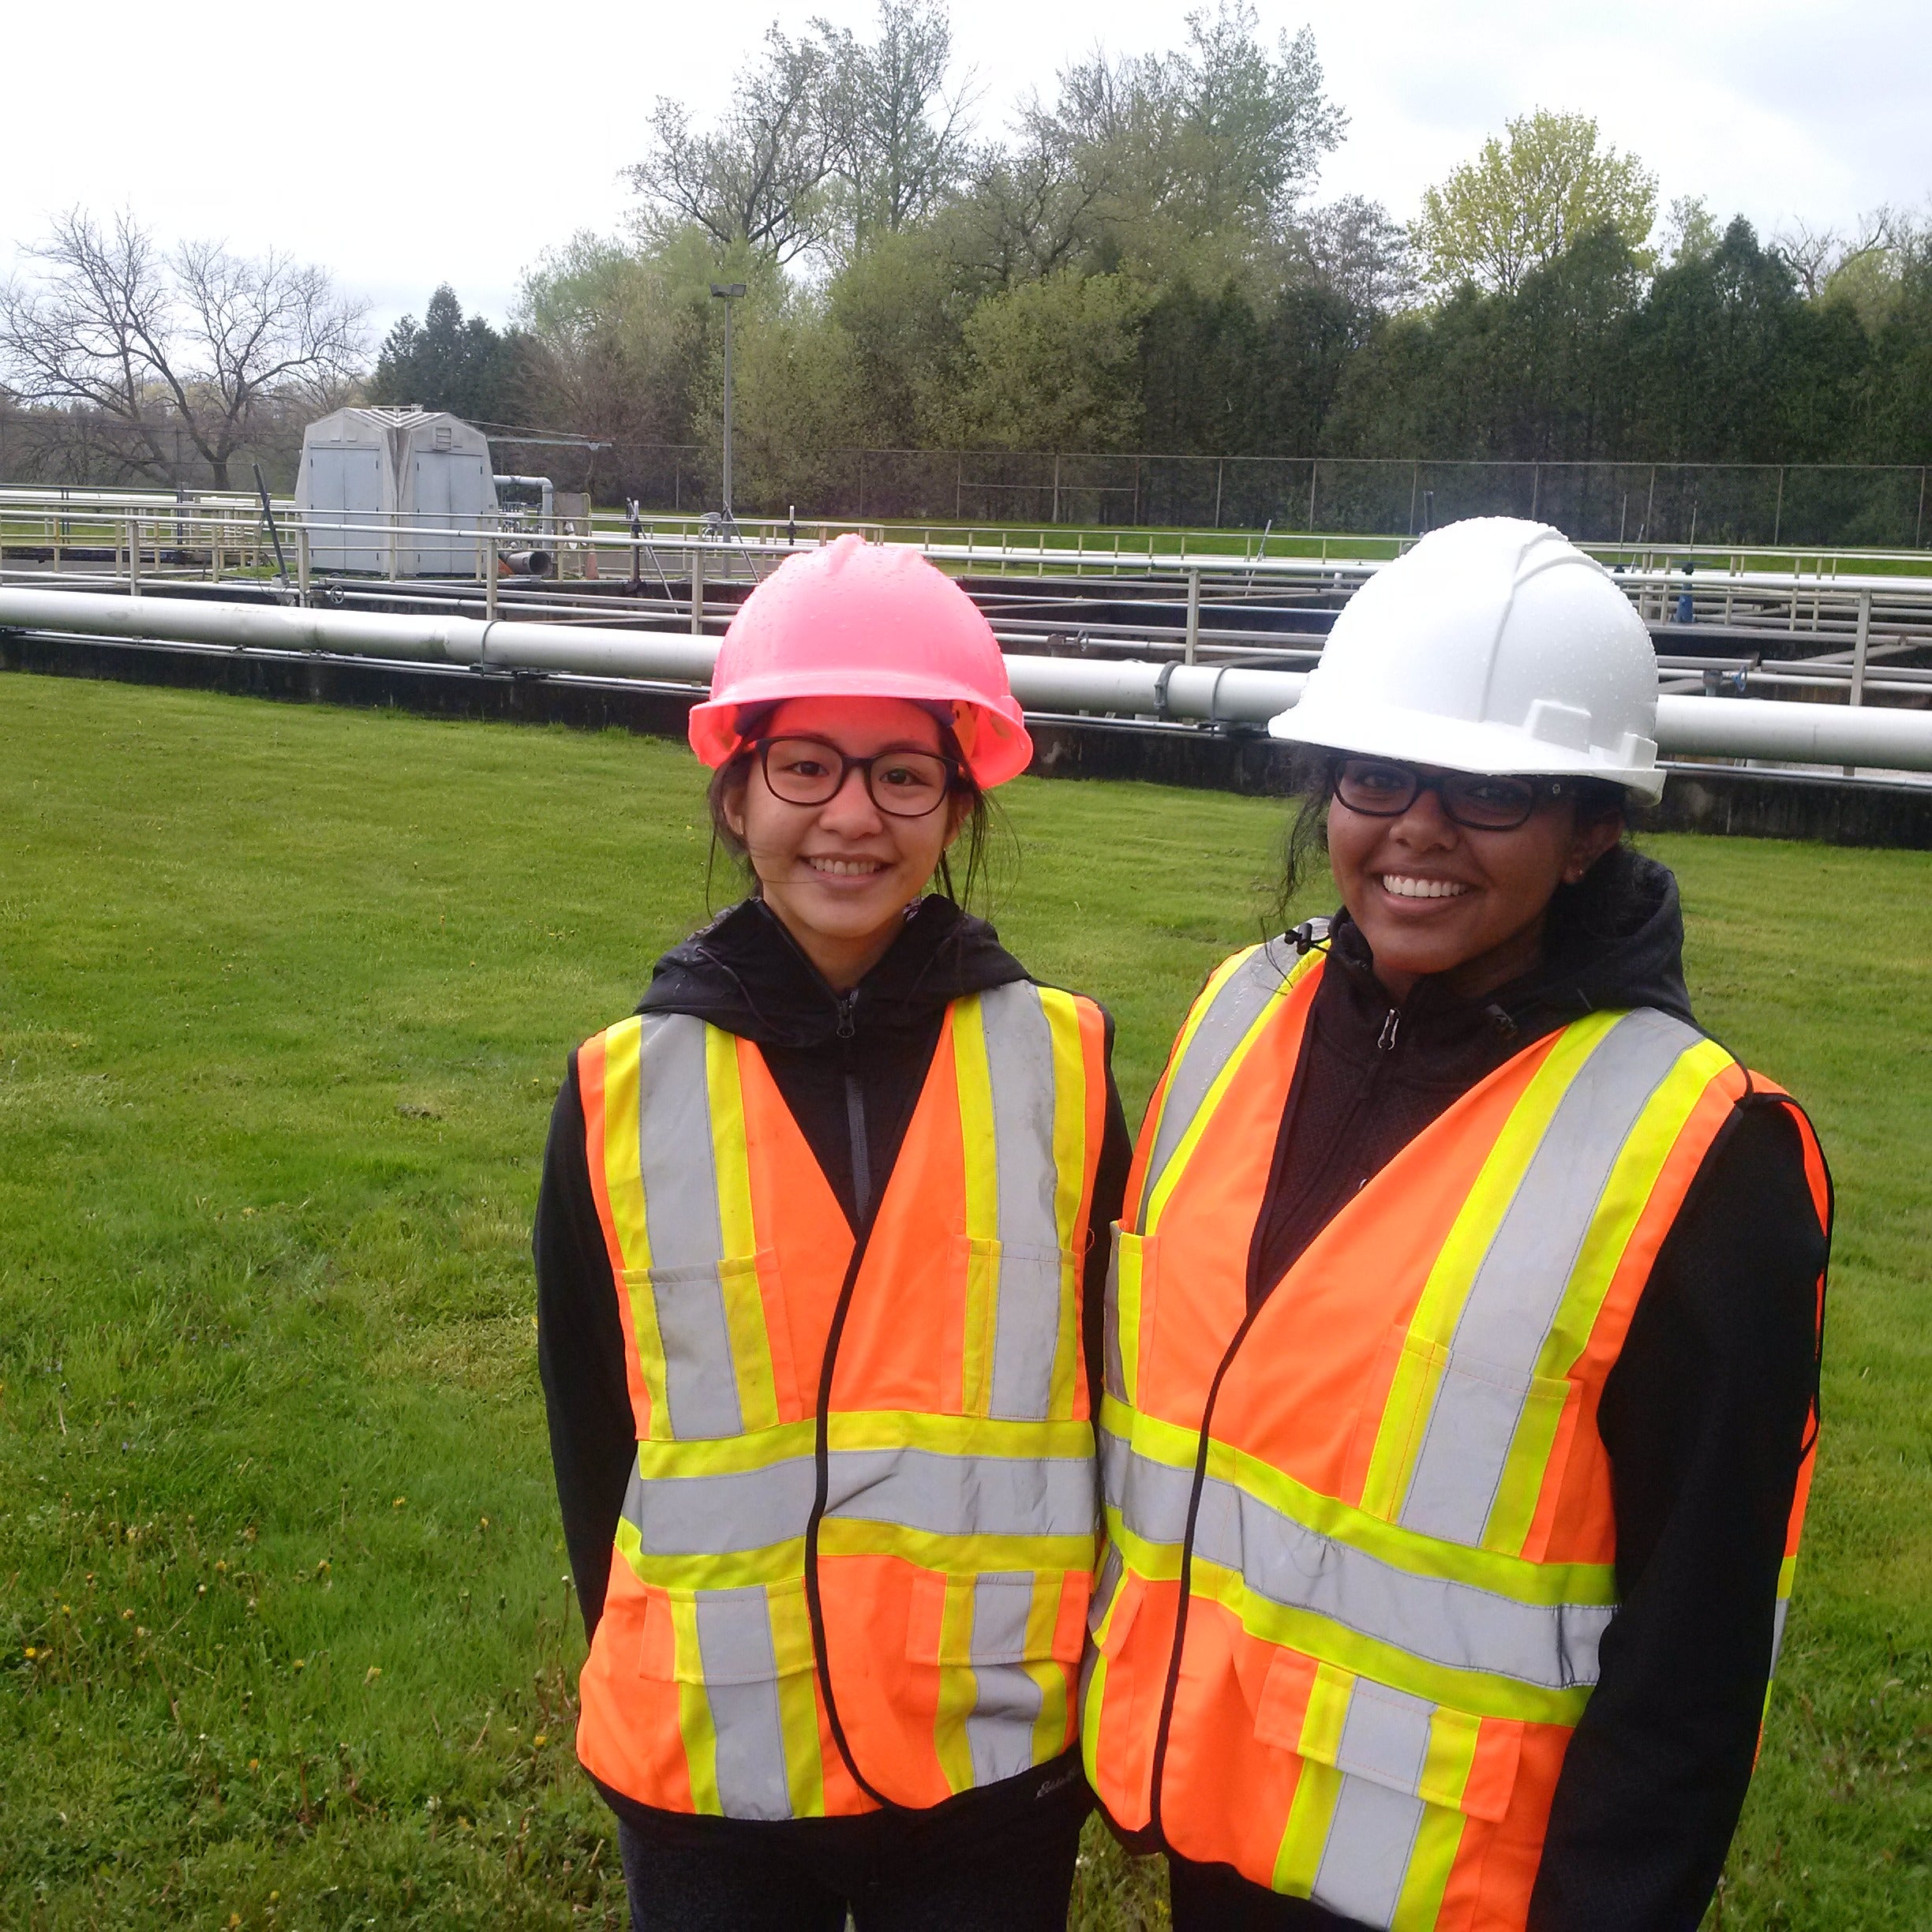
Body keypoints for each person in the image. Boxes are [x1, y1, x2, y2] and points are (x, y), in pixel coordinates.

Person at [1082, 519, 1830, 1932]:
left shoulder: (1704, 1154)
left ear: (1590, 827)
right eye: (1376, 773)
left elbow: (1698, 1652)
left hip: (1462, 1895)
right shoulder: (1244, 1013)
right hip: (1211, 1835)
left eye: (1489, 790)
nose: (1416, 827)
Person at [534, 534, 1129, 1931]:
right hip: (713, 1773)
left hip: (987, 1769)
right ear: (737, 791)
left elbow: (1120, 1404)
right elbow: (591, 1436)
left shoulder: (1066, 1066)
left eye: (902, 774)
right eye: (807, 765)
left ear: (954, 805)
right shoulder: (621, 1088)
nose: (851, 817)